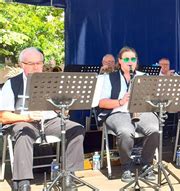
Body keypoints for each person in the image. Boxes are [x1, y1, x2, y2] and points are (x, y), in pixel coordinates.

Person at [0, 47, 85, 191]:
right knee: (24, 132)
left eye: (39, 63)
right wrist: (26, 117)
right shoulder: (11, 84)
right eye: (31, 63)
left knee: (76, 129)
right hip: (23, 121)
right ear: (22, 64)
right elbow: (3, 116)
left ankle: (69, 176)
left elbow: (61, 109)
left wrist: (63, 108)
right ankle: (23, 182)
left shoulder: (52, 82)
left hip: (50, 121)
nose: (36, 67)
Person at [98, 46, 160, 182]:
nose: (130, 62)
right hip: (118, 112)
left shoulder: (144, 77)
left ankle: (146, 163)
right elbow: (101, 103)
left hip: (141, 112)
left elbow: (152, 100)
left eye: (133, 59)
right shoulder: (109, 78)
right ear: (120, 61)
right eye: (126, 59)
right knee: (125, 131)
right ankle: (126, 166)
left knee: (155, 129)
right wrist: (121, 101)